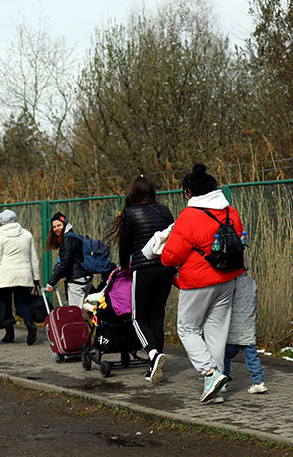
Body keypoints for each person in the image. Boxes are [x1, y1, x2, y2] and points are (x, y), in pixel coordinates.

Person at [161, 164, 245, 404]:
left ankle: (210, 373)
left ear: (188, 192)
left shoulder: (189, 216)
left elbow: (171, 257)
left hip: (197, 282)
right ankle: (216, 389)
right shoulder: (231, 212)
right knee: (216, 334)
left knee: (187, 329)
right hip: (228, 279)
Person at [103, 175, 175, 384]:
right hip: (165, 268)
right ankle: (154, 365)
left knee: (138, 317)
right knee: (156, 316)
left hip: (143, 268)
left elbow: (125, 245)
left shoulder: (130, 213)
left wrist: (124, 265)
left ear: (134, 191)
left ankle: (152, 354)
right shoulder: (164, 211)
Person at [0, 209, 41, 345]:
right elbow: (34, 258)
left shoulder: (0, 237)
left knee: (5, 303)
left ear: (1, 222)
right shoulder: (27, 235)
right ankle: (30, 324)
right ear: (16, 220)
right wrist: (37, 276)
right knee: (22, 303)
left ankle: (9, 334)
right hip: (24, 275)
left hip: (5, 276)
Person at [222, 269, 267, 394]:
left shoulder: (231, 282)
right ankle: (258, 381)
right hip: (248, 325)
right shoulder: (252, 282)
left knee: (226, 354)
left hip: (233, 327)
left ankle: (223, 381)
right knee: (252, 356)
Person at [44, 212, 93, 308]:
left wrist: (51, 282)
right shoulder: (73, 236)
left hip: (77, 280)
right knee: (84, 309)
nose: (56, 229)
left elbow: (65, 263)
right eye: (54, 227)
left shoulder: (68, 239)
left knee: (75, 312)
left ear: (65, 224)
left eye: (59, 225)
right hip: (85, 277)